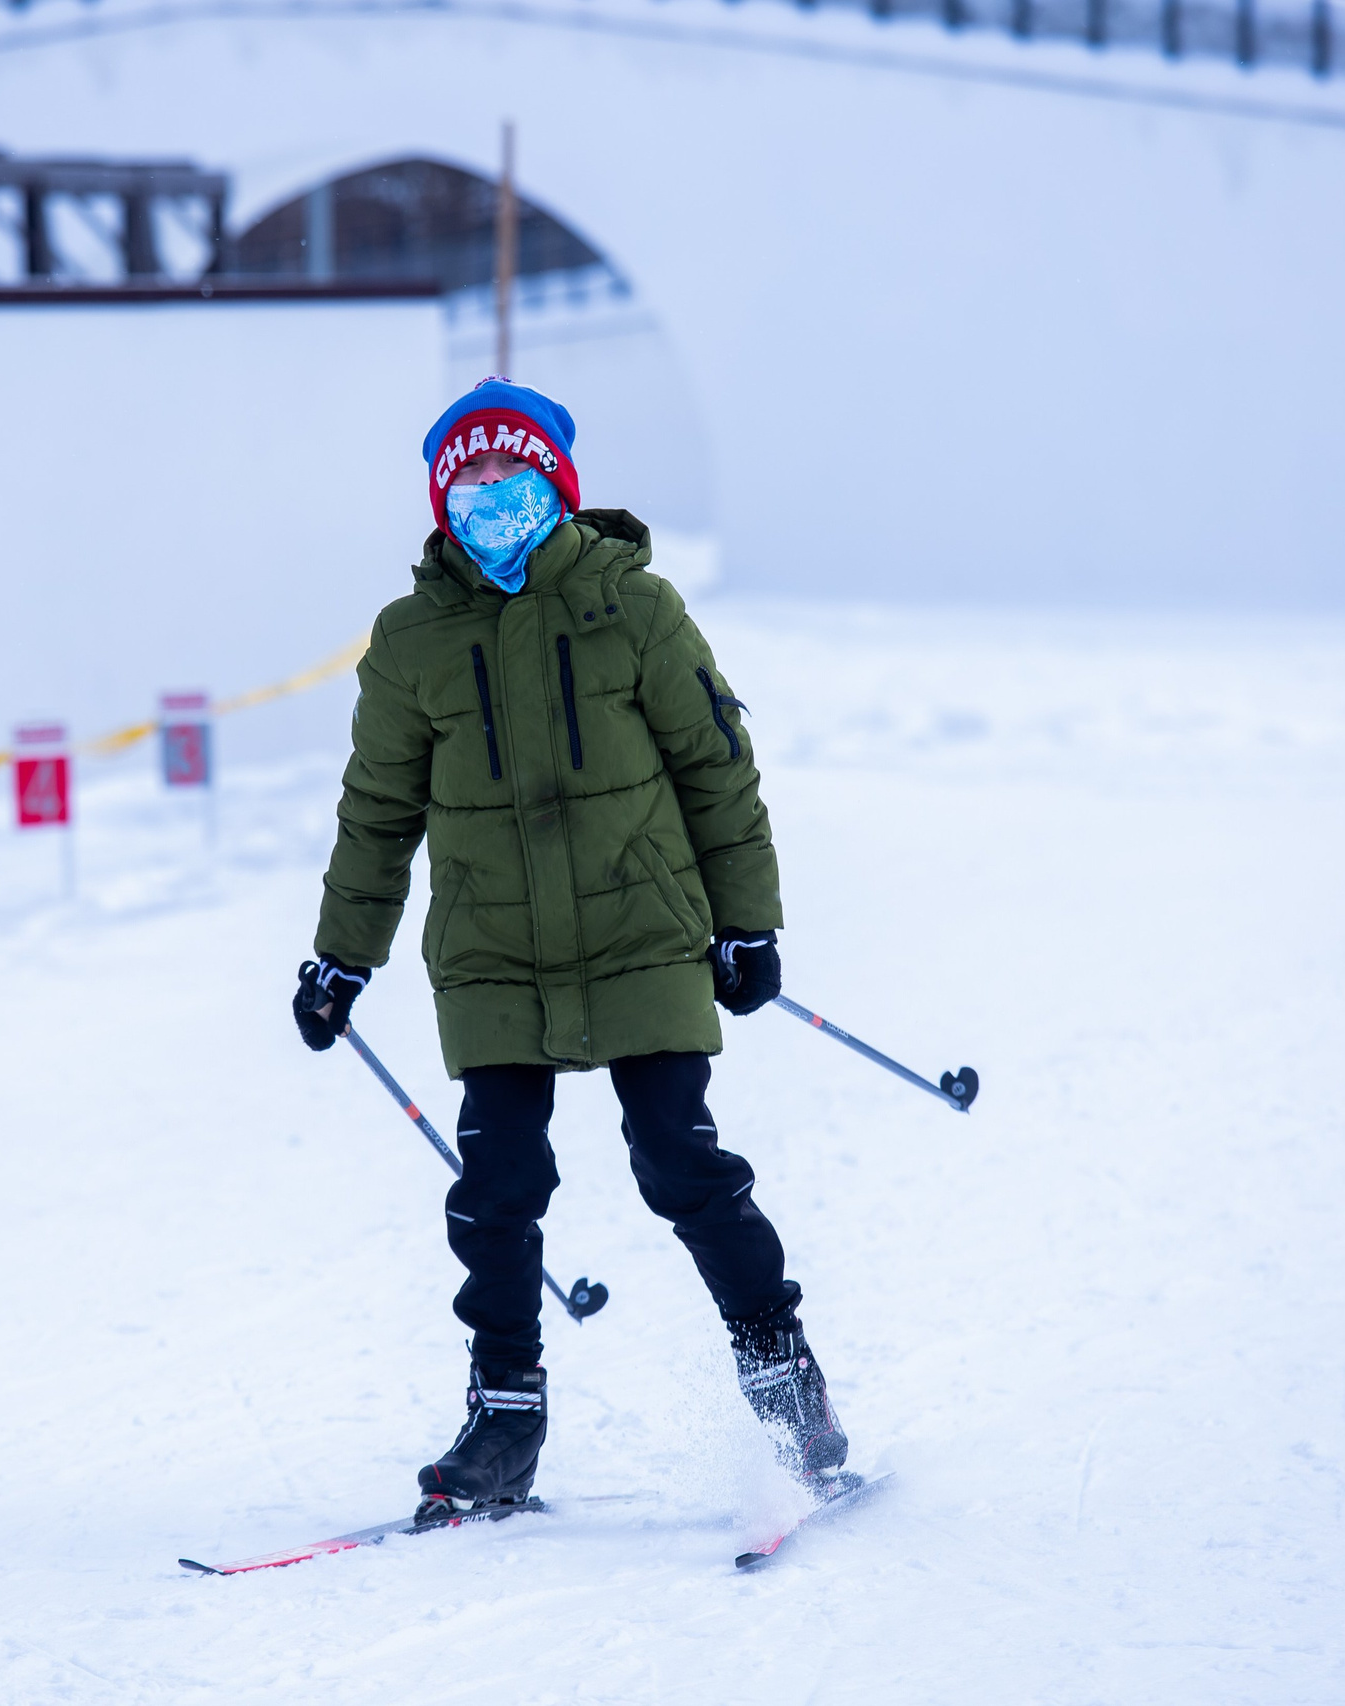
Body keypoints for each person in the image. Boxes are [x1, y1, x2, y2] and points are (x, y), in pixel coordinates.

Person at [292, 378, 848, 1520]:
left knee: (679, 1163)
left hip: (641, 930)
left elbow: (716, 769)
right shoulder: (409, 643)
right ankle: (502, 1419)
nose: (493, 495)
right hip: (492, 951)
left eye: (514, 473)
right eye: (471, 480)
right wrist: (342, 957)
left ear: (558, 484)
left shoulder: (631, 607)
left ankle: (788, 1386)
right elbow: (376, 814)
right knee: (495, 1187)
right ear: (444, 500)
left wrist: (750, 922)